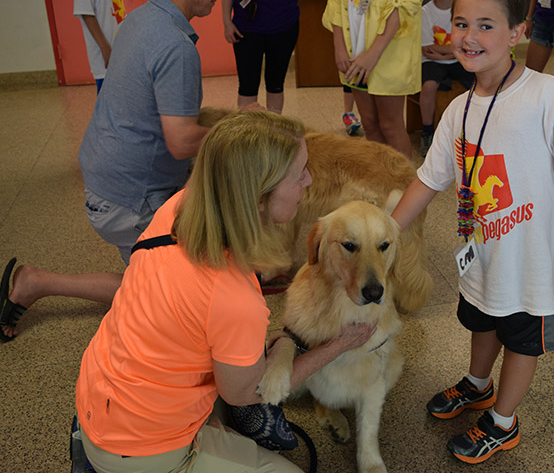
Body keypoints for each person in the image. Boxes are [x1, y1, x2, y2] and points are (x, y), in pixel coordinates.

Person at [391, 0, 554, 464]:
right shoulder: (457, 109)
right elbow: (429, 180)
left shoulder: (546, 96)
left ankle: (503, 422)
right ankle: (477, 385)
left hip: (532, 263)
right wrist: (388, 230)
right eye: (460, 24)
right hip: (484, 253)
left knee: (520, 341)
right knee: (480, 316)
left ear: (517, 33)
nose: (469, 37)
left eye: (486, 25)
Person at [74, 110, 376, 472]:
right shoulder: (234, 298)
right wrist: (338, 345)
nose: (309, 181)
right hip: (140, 445)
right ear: (259, 196)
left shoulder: (179, 207)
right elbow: (247, 392)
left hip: (97, 389)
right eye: (299, 175)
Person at [0, 0, 227, 342]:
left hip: (106, 173)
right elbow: (180, 141)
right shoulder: (176, 46)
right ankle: (35, 282)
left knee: (185, 266)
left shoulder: (141, 18)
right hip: (127, 197)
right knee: (165, 294)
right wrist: (236, 131)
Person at [322, 0, 427, 159]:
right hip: (354, 48)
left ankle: (402, 188)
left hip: (388, 50)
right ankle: (381, 184)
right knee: (369, 125)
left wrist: (373, 54)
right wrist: (338, 45)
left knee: (390, 125)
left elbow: (404, 3)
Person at [222, 0, 312, 113]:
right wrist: (226, 21)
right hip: (246, 27)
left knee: (276, 83)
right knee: (247, 84)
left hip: (283, 24)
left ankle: (274, 132)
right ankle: (247, 134)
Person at [418, 0, 474, 157]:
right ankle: (427, 132)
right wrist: (452, 50)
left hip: (459, 58)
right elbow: (427, 48)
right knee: (429, 86)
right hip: (431, 61)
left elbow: (466, 42)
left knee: (478, 85)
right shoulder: (425, 12)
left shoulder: (462, 10)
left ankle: (471, 132)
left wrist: (450, 54)